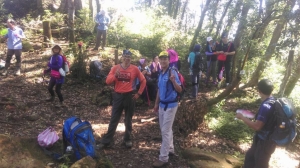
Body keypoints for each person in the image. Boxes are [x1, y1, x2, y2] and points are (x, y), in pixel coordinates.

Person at [98, 50, 146, 149]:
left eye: (129, 57)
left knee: (128, 119)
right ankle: (107, 141)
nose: (127, 58)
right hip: (118, 96)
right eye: (125, 56)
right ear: (122, 57)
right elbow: (107, 81)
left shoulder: (135, 69)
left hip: (130, 96)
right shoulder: (115, 68)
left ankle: (127, 139)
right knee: (114, 119)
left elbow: (143, 80)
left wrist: (139, 93)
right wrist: (115, 75)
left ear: (131, 58)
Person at [236, 79, 276, 168]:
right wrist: (249, 114)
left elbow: (257, 127)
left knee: (260, 164)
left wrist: (242, 117)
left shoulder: (266, 106)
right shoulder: (273, 100)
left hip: (265, 142)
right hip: (263, 140)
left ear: (259, 91)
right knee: (250, 157)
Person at [153, 51, 182, 168]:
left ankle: (163, 158)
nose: (163, 61)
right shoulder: (160, 73)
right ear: (159, 60)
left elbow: (180, 90)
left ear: (169, 61)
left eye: (165, 59)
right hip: (161, 105)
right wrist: (156, 104)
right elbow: (159, 90)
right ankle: (170, 148)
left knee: (165, 131)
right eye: (161, 59)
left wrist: (174, 81)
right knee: (166, 129)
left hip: (171, 105)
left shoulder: (172, 72)